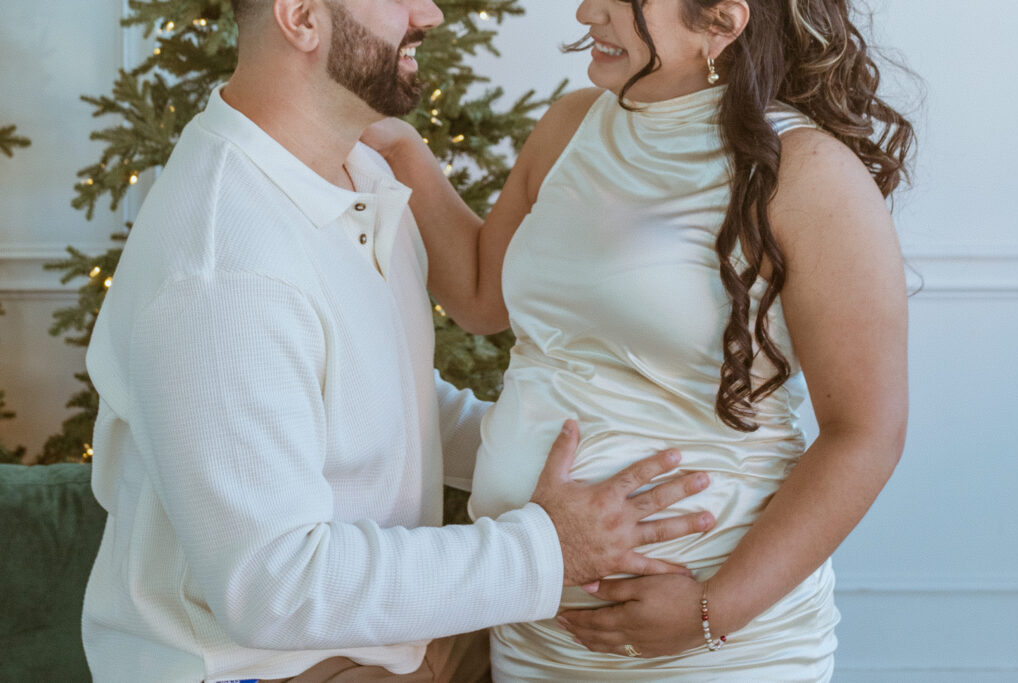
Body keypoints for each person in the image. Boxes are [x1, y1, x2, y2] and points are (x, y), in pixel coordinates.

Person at [79, 1, 719, 681]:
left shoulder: (359, 176)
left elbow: (377, 394)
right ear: (301, 18)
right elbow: (276, 587)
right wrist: (551, 548)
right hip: (266, 665)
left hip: (388, 638)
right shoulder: (225, 270)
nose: (432, 13)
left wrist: (555, 453)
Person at [363, 0, 914, 679]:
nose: (585, 11)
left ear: (721, 22)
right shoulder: (571, 125)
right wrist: (398, 149)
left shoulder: (807, 173)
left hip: (713, 645)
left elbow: (866, 430)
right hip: (534, 625)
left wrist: (712, 610)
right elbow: (482, 292)